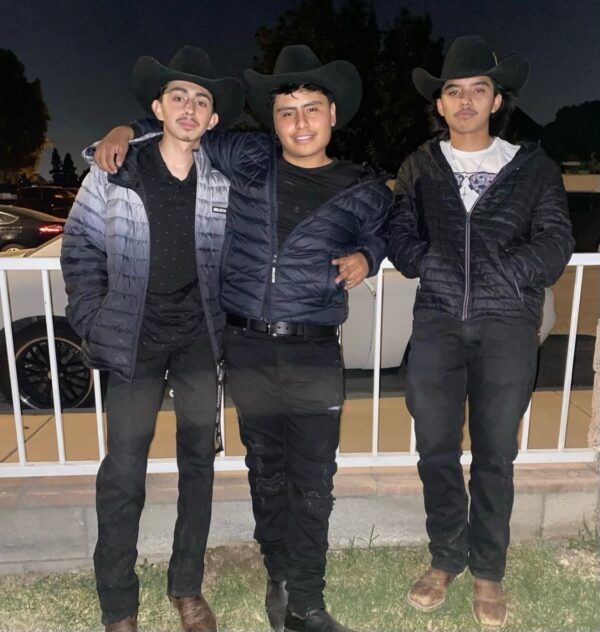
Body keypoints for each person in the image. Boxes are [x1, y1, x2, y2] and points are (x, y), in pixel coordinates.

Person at [94, 44, 391, 632]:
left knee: (314, 482)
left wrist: (369, 253)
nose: (300, 122)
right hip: (247, 346)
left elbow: (397, 230)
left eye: (312, 108)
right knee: (267, 471)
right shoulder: (247, 156)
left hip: (312, 349)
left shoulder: (361, 186)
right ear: (272, 121)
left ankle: (307, 600)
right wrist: (127, 126)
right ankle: (278, 577)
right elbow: (183, 126)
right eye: (287, 111)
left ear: (333, 115)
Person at [388, 35, 574, 628]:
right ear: (439, 105)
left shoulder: (533, 168)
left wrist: (510, 272)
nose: (465, 100)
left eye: (478, 90)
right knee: (435, 448)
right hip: (438, 322)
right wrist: (431, 263)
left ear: (496, 101)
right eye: (453, 91)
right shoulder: (420, 165)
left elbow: (556, 240)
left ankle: (488, 570)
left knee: (496, 453)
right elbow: (399, 232)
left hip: (507, 324)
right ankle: (446, 556)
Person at [61, 46, 244, 632]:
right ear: (158, 108)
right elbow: (80, 248)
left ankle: (186, 586)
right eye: (179, 97)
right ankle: (119, 604)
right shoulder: (115, 174)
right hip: (133, 342)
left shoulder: (221, 182)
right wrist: (93, 317)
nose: (190, 108)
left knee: (199, 464)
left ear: (212, 120)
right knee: (123, 471)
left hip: (196, 341)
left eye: (202, 100)